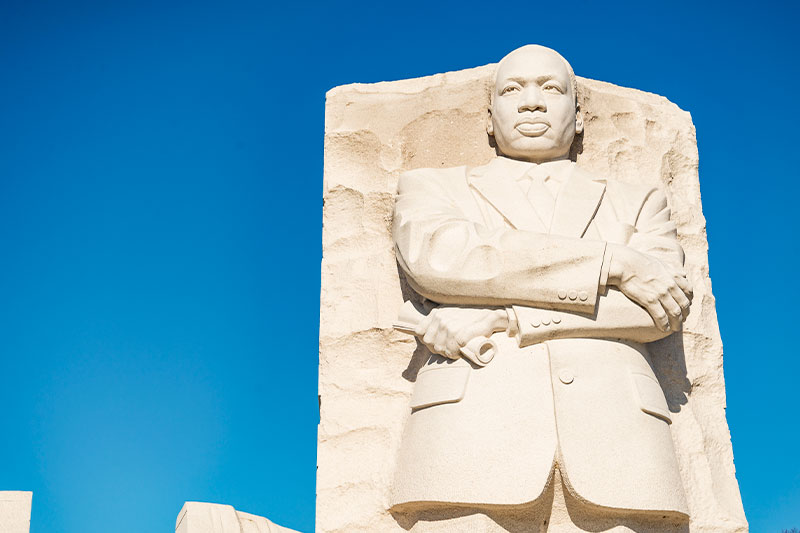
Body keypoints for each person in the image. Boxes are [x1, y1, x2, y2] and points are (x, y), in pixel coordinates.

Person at [390, 45, 693, 529]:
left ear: (578, 118)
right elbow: (444, 259)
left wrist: (506, 317)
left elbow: (660, 309)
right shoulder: (432, 187)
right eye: (512, 90)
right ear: (489, 120)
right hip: (466, 438)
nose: (532, 102)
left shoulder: (639, 201)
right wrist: (613, 262)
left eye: (551, 89)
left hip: (621, 442)